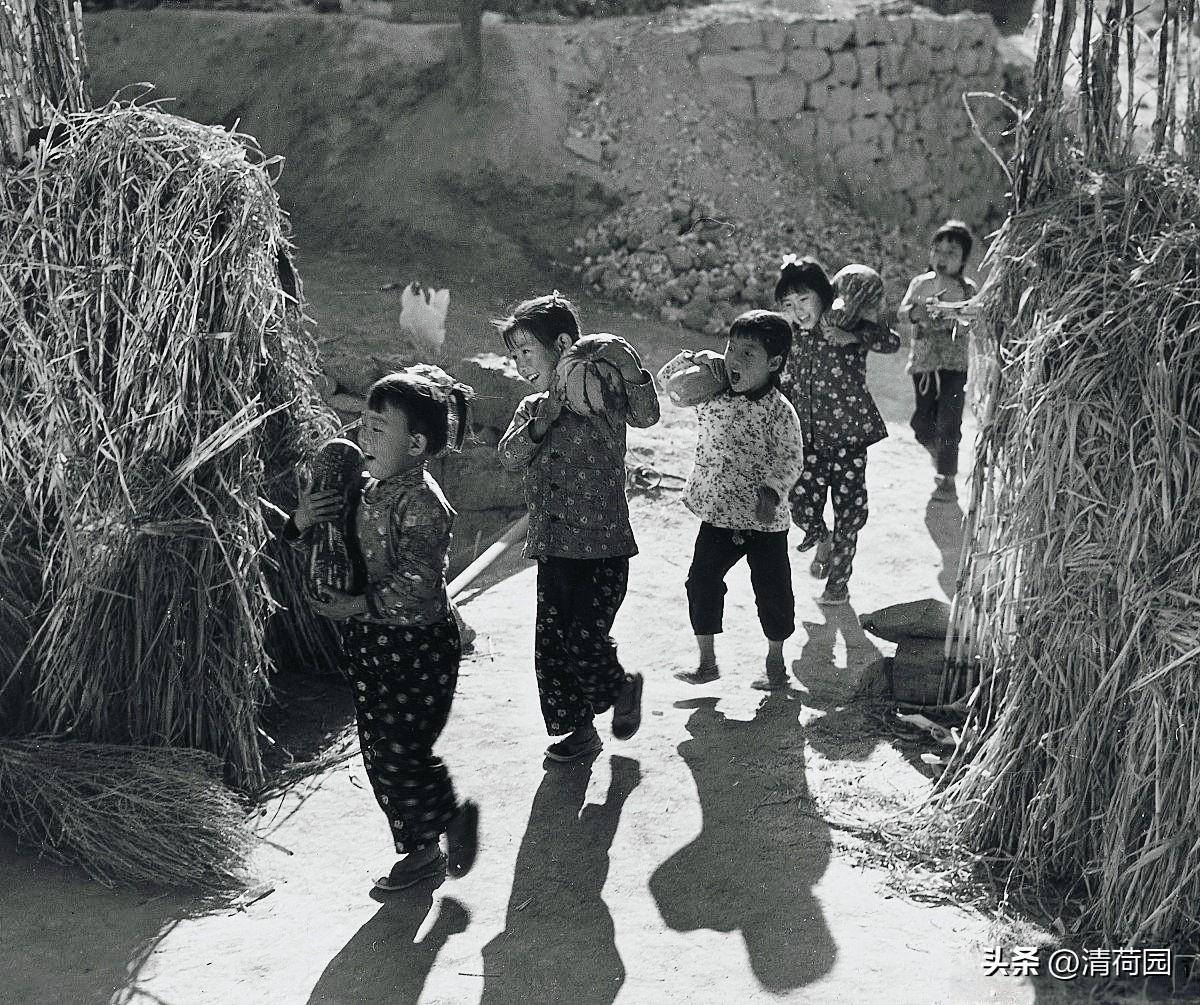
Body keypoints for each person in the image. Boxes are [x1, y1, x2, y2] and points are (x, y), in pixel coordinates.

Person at [285, 366, 479, 892]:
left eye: (377, 429)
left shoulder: (424, 504)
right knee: (380, 753)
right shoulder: (363, 489)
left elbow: (417, 583)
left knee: (402, 752)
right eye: (363, 425)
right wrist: (304, 520)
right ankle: (433, 834)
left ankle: (431, 840)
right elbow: (327, 545)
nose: (363, 438)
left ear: (416, 444)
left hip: (417, 647)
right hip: (371, 644)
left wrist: (355, 605)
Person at [496, 292, 659, 763]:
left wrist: (631, 371)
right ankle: (579, 731)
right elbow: (509, 456)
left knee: (584, 638)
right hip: (553, 549)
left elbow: (647, 415)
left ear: (564, 345)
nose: (520, 364)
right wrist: (538, 425)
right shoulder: (531, 409)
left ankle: (620, 688)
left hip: (604, 547)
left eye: (527, 351)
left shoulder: (604, 398)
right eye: (514, 355)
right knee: (553, 651)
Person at [667, 310, 805, 691]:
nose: (734, 359)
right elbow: (669, 386)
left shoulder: (780, 411)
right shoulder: (712, 394)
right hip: (719, 513)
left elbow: (791, 458)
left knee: (774, 593)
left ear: (773, 363)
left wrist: (772, 491)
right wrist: (696, 360)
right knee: (701, 582)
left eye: (748, 353)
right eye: (731, 348)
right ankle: (706, 662)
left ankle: (776, 661)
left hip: (765, 522)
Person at [775, 256, 900, 606]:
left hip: (849, 440)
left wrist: (853, 336)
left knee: (849, 514)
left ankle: (838, 586)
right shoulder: (788, 336)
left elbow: (891, 342)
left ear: (825, 296)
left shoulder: (845, 324)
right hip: (808, 441)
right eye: (789, 303)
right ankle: (822, 539)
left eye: (805, 300)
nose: (798, 310)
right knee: (799, 504)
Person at [898, 220, 978, 502]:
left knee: (949, 420)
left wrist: (959, 317)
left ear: (963, 259)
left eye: (951, 253)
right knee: (922, 423)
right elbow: (902, 313)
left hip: (955, 367)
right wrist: (916, 313)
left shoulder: (967, 290)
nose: (942, 258)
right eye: (937, 251)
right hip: (924, 365)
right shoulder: (921, 284)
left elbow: (973, 321)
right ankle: (938, 452)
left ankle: (947, 477)